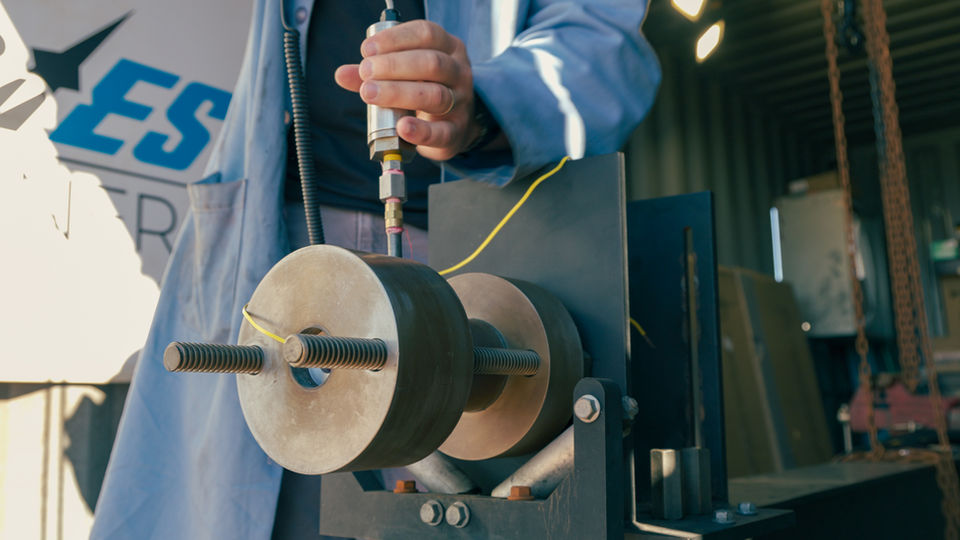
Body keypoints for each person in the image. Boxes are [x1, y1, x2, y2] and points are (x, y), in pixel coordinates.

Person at [91, 1, 660, 538]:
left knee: (472, 508)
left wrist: (485, 107)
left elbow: (600, 41)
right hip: (283, 247)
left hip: (468, 252)